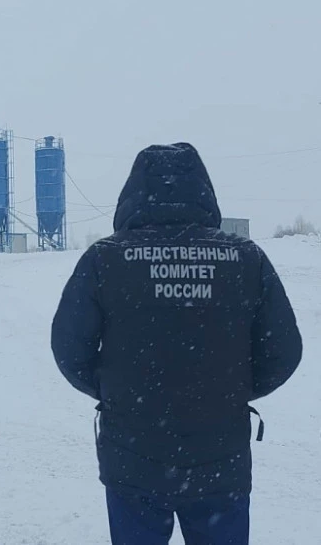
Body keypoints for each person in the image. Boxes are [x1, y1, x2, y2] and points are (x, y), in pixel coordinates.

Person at [51, 142, 302, 545]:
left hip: (133, 458)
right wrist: (232, 390)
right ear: (204, 190)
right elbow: (284, 351)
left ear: (131, 192)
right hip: (221, 459)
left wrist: (116, 392)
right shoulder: (246, 258)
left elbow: (69, 349)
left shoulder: (105, 259)